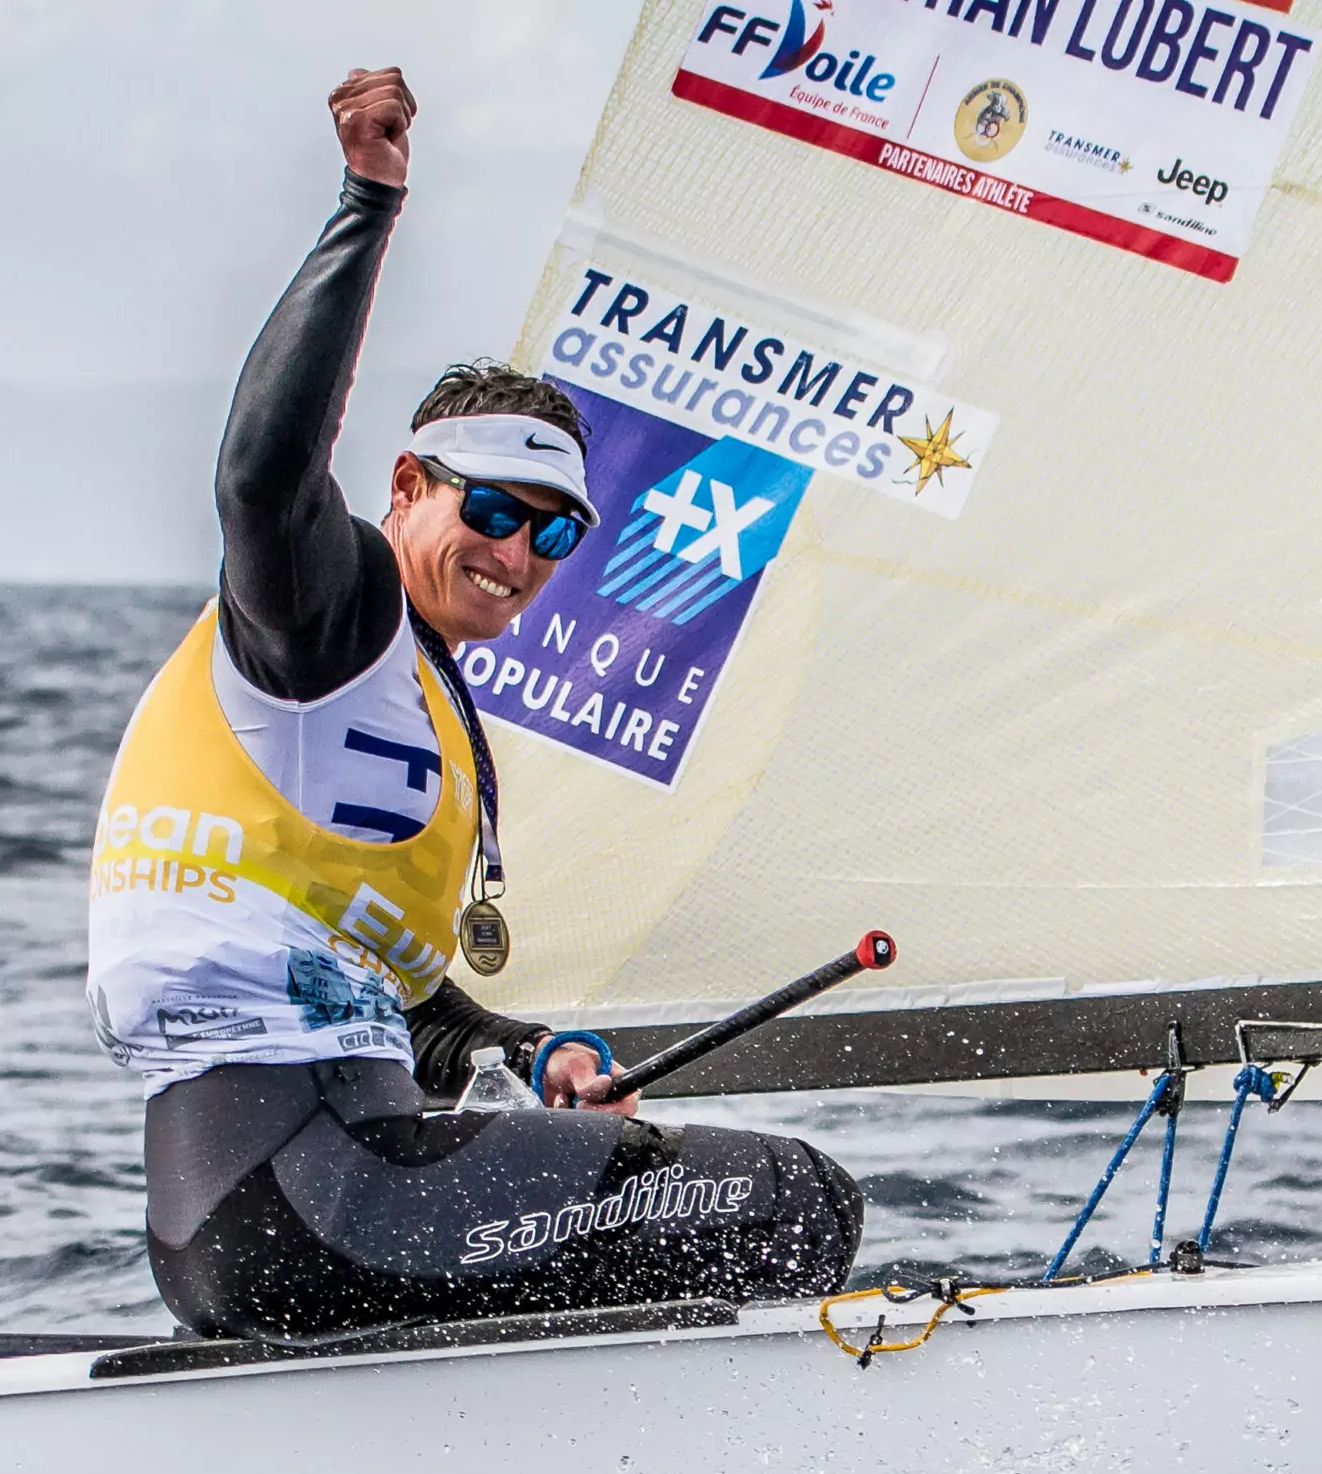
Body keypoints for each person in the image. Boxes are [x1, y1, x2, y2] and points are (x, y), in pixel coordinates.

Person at [84, 64, 863, 1340]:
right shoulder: (326, 621)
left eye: (552, 535)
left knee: (661, 1219)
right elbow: (260, 481)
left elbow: (382, 992)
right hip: (313, 1195)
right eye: (491, 511)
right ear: (405, 486)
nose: (516, 554)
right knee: (794, 1203)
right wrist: (366, 203)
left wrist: (527, 1045)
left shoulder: (407, 694)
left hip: (258, 1217)